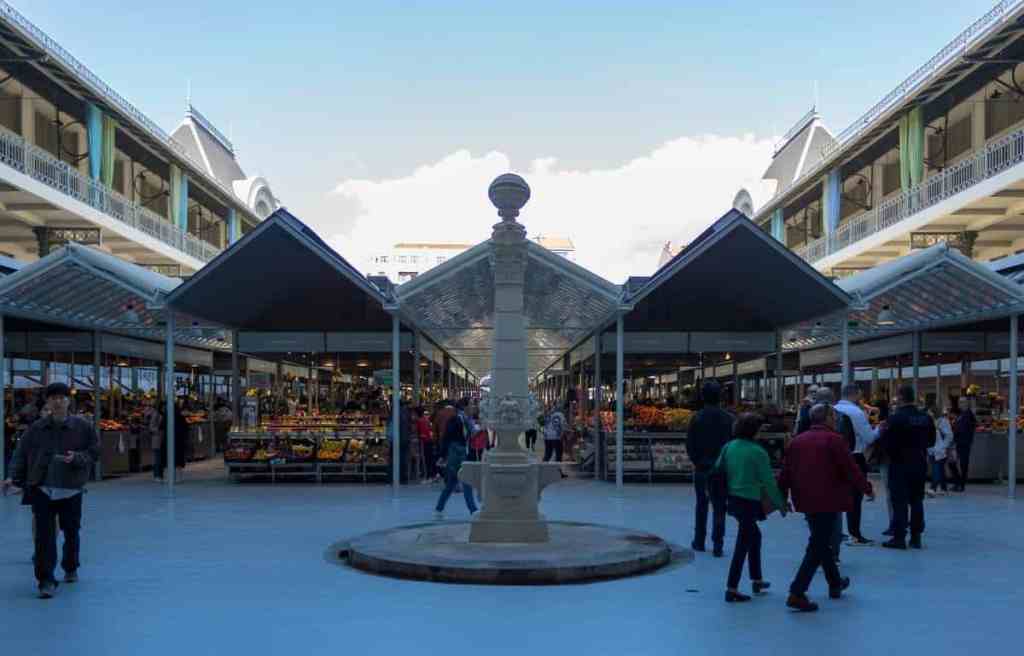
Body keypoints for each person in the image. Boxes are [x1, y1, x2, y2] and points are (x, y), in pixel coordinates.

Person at [2, 383, 100, 599]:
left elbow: (94, 452)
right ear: (47, 402)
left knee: (71, 531)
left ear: (68, 401)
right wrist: (13, 477)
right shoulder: (36, 428)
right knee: (44, 537)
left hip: (71, 489)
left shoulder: (83, 427)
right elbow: (21, 453)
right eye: (53, 398)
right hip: (42, 488)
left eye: (62, 398)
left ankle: (70, 566)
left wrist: (77, 458)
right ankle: (45, 580)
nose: (58, 402)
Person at [778, 403, 873, 613]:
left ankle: (835, 582)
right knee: (818, 544)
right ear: (828, 418)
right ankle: (797, 591)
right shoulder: (835, 440)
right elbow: (850, 469)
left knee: (820, 540)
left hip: (805, 499)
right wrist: (866, 488)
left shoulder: (797, 441)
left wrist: (782, 496)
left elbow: (785, 472)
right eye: (834, 417)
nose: (836, 420)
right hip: (829, 499)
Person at [714, 413, 785, 603]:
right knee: (742, 544)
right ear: (754, 430)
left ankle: (757, 579)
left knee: (754, 536)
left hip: (733, 499)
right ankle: (732, 588)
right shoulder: (757, 452)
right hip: (749, 500)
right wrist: (780, 504)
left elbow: (718, 468)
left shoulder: (729, 447)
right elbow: (769, 482)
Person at [877, 384, 932, 550]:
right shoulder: (925, 418)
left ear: (900, 397)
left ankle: (899, 537)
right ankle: (916, 537)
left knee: (899, 501)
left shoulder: (895, 418)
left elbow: (886, 443)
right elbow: (931, 441)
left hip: (899, 464)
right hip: (919, 462)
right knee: (917, 500)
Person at [686, 380, 733, 557]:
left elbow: (690, 444)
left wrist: (697, 461)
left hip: (702, 469)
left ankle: (699, 541)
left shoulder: (696, 418)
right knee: (720, 507)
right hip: (721, 470)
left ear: (703, 397)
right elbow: (732, 443)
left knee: (701, 505)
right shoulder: (729, 418)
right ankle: (718, 544)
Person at [833, 384, 879, 545]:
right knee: (855, 498)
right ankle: (854, 534)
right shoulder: (856, 412)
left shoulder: (833, 410)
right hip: (854, 456)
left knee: (837, 495)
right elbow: (869, 438)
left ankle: (839, 532)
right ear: (855, 394)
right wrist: (880, 429)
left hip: (834, 458)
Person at [433, 399, 478, 519]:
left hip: (458, 454)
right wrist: (442, 455)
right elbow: (447, 438)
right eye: (471, 404)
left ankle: (439, 509)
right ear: (464, 407)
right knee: (466, 480)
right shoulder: (457, 419)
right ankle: (473, 510)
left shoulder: (465, 419)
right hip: (457, 455)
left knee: (451, 484)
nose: (473, 407)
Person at [951, 398, 976, 492]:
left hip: (964, 442)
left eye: (961, 402)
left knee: (963, 464)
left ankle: (961, 484)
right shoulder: (961, 414)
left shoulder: (969, 414)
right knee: (952, 462)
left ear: (966, 403)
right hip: (958, 442)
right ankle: (958, 482)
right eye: (959, 402)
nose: (959, 404)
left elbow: (965, 428)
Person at [928, 407, 953, 496]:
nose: (929, 415)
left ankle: (933, 488)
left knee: (936, 469)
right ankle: (944, 488)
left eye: (930, 413)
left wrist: (943, 447)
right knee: (940, 469)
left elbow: (949, 435)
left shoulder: (943, 422)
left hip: (940, 450)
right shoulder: (930, 422)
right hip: (932, 450)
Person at [414, 407, 435, 482]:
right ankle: (431, 475)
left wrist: (419, 438)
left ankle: (427, 476)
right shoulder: (426, 420)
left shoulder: (420, 421)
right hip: (429, 441)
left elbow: (421, 434)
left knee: (425, 459)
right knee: (429, 458)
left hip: (424, 441)